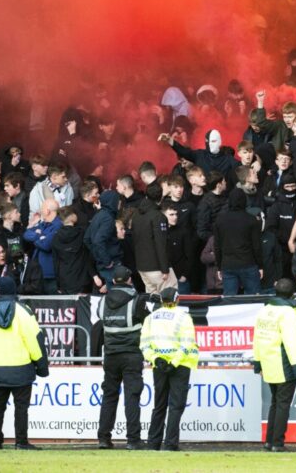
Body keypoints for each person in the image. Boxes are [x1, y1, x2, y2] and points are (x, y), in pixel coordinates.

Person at [0, 276, 49, 450]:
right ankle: (21, 441)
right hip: (20, 365)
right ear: (14, 290)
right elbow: (34, 340)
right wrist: (41, 366)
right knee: (21, 406)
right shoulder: (23, 312)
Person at [97, 266, 150, 450]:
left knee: (109, 397)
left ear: (113, 281)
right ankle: (133, 440)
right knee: (132, 397)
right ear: (129, 280)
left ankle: (104, 438)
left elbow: (99, 319)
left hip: (110, 355)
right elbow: (147, 320)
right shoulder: (137, 300)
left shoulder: (103, 302)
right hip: (131, 354)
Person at [140, 287, 199, 451]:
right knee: (175, 406)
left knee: (159, 405)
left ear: (161, 301)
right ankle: (170, 444)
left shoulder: (150, 318)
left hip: (158, 365)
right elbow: (187, 343)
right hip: (179, 365)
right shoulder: (183, 317)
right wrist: (174, 362)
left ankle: (153, 443)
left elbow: (144, 344)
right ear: (177, 299)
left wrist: (156, 359)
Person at [252, 277, 296, 452]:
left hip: (268, 362)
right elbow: (291, 342)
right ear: (291, 294)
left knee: (275, 403)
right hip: (283, 363)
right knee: (283, 404)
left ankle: (269, 441)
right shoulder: (288, 312)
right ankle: (277, 443)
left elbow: (257, 339)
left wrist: (258, 363)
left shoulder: (264, 310)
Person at [213, 188, 263, 295]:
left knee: (229, 301)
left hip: (228, 265)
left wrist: (219, 267)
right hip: (248, 263)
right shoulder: (251, 220)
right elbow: (257, 246)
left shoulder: (220, 220)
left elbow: (217, 246)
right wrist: (260, 265)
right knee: (253, 299)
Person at [131, 183, 177, 295]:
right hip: (157, 267)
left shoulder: (137, 214)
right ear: (161, 197)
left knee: (153, 300)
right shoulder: (158, 216)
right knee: (170, 297)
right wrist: (165, 269)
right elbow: (161, 243)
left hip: (142, 267)